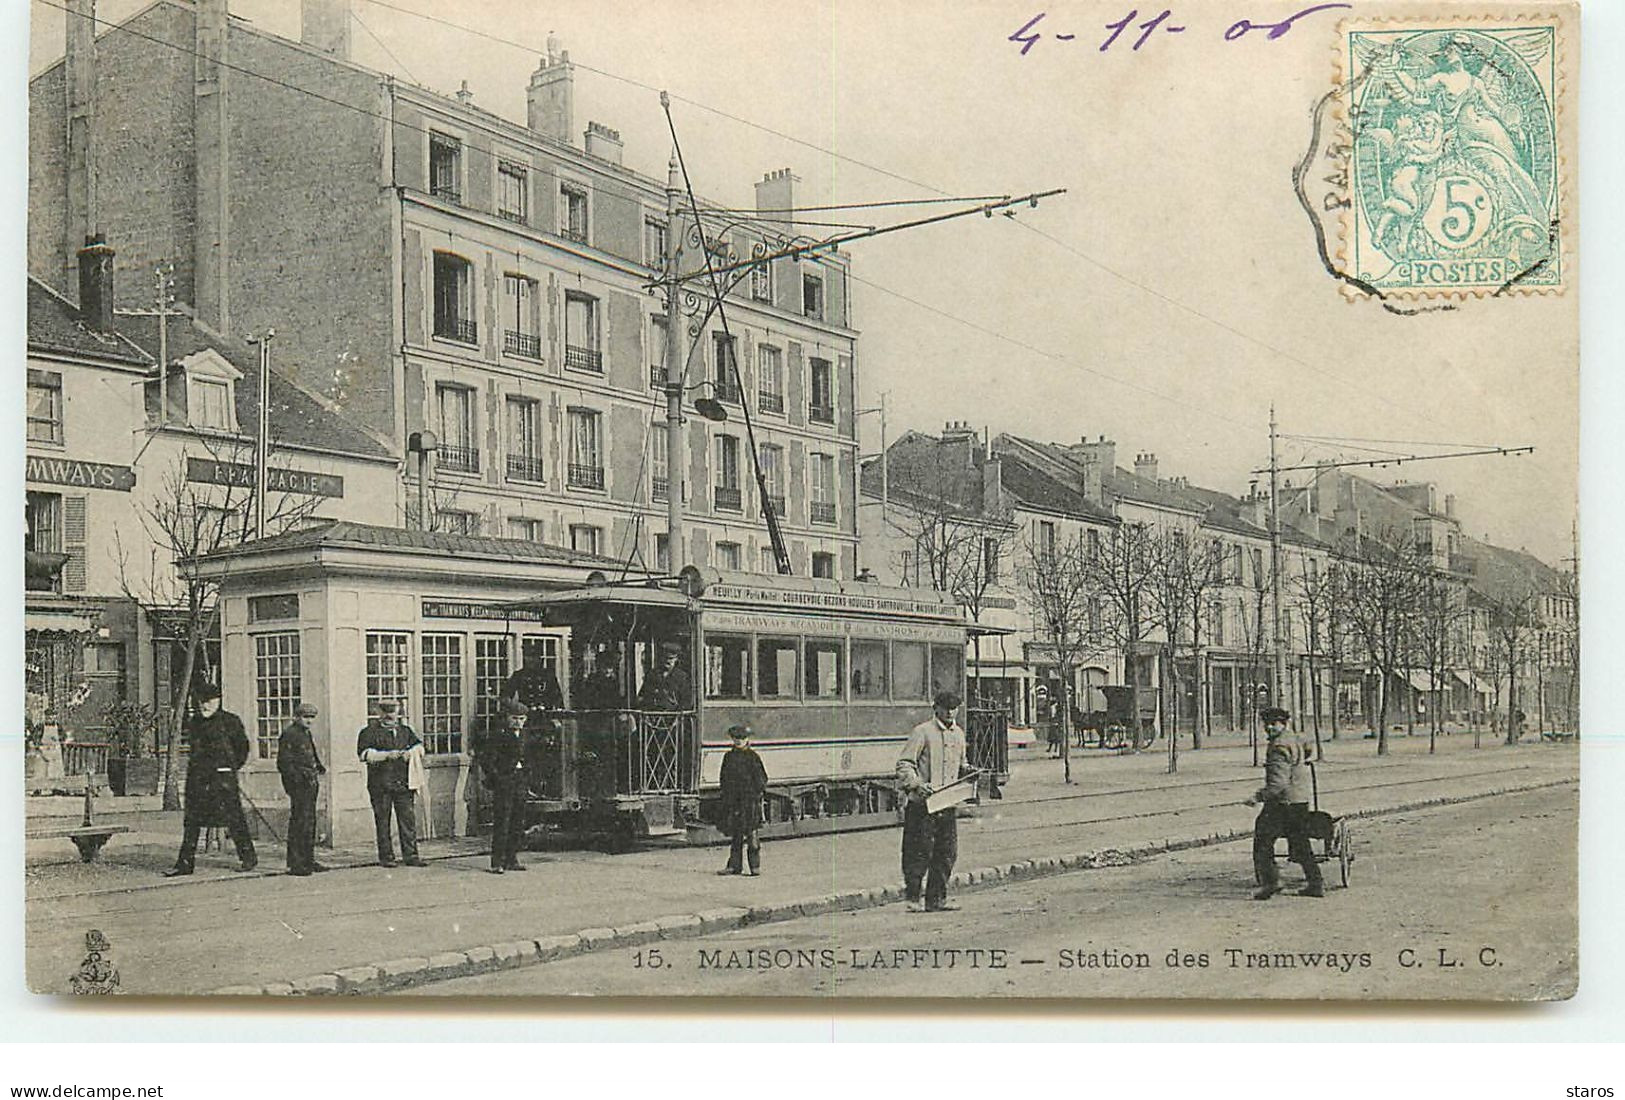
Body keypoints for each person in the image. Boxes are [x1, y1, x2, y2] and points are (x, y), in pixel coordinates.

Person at [164, 684, 257, 876]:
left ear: (218, 701)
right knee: (191, 823)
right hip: (198, 781)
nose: (204, 705)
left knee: (234, 819)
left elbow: (242, 748)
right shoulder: (195, 722)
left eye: (209, 701)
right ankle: (185, 864)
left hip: (222, 781)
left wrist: (228, 768)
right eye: (201, 701)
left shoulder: (230, 721)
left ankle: (248, 858)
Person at [896, 690, 968, 912]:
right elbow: (904, 764)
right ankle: (913, 899)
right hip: (922, 804)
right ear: (935, 708)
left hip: (946, 803)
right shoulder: (922, 732)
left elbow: (961, 764)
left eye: (954, 708)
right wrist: (917, 783)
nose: (950, 712)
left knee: (946, 853)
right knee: (919, 852)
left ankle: (937, 899)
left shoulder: (959, 734)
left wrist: (969, 773)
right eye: (946, 708)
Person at [1246, 706, 1324, 900]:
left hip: (1282, 803)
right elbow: (1307, 747)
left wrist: (1258, 797)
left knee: (1262, 841)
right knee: (1300, 843)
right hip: (1300, 799)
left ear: (1283, 724)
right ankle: (1315, 883)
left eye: (1274, 724)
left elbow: (1277, 783)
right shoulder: (1294, 738)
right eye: (1267, 724)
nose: (1270, 728)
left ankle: (1271, 883)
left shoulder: (1278, 748)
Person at [356, 700, 427, 868]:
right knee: (382, 821)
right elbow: (363, 754)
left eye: (393, 711)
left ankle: (411, 855)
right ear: (379, 712)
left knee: (407, 820)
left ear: (398, 712)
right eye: (385, 712)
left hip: (403, 783)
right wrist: (387, 755)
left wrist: (411, 753)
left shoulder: (405, 731)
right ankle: (386, 857)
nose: (389, 715)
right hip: (380, 784)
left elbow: (420, 747)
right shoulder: (368, 732)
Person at [473, 699, 531, 874]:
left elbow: (530, 757)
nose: (518, 722)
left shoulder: (525, 735)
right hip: (504, 782)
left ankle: (512, 859)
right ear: (507, 718)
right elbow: (486, 760)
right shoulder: (498, 735)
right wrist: (498, 778)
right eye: (514, 718)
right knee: (502, 822)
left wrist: (528, 777)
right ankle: (497, 862)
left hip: (520, 781)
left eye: (521, 718)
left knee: (517, 821)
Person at [277, 702, 327, 876]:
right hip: (299, 785)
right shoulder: (289, 735)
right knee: (300, 822)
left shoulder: (306, 733)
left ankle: (308, 859)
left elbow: (311, 753)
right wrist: (297, 781)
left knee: (309, 822)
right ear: (297, 717)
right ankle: (296, 863)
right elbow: (284, 763)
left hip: (310, 783)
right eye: (306, 717)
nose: (309, 721)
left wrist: (319, 766)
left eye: (312, 718)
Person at [716, 724, 769, 876]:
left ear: (747, 739)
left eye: (742, 738)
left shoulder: (753, 757)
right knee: (736, 835)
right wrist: (726, 795)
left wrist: (754, 794)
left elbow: (762, 780)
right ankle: (734, 866)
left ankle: (754, 866)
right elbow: (723, 778)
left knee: (752, 835)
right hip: (734, 802)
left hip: (749, 802)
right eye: (736, 738)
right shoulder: (729, 757)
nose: (739, 741)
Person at [636, 643, 692, 712]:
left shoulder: (682, 677)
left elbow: (687, 700)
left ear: (676, 659)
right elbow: (642, 695)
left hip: (674, 717)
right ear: (661, 658)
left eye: (671, 658)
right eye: (665, 658)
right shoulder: (652, 675)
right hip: (654, 717)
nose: (668, 661)